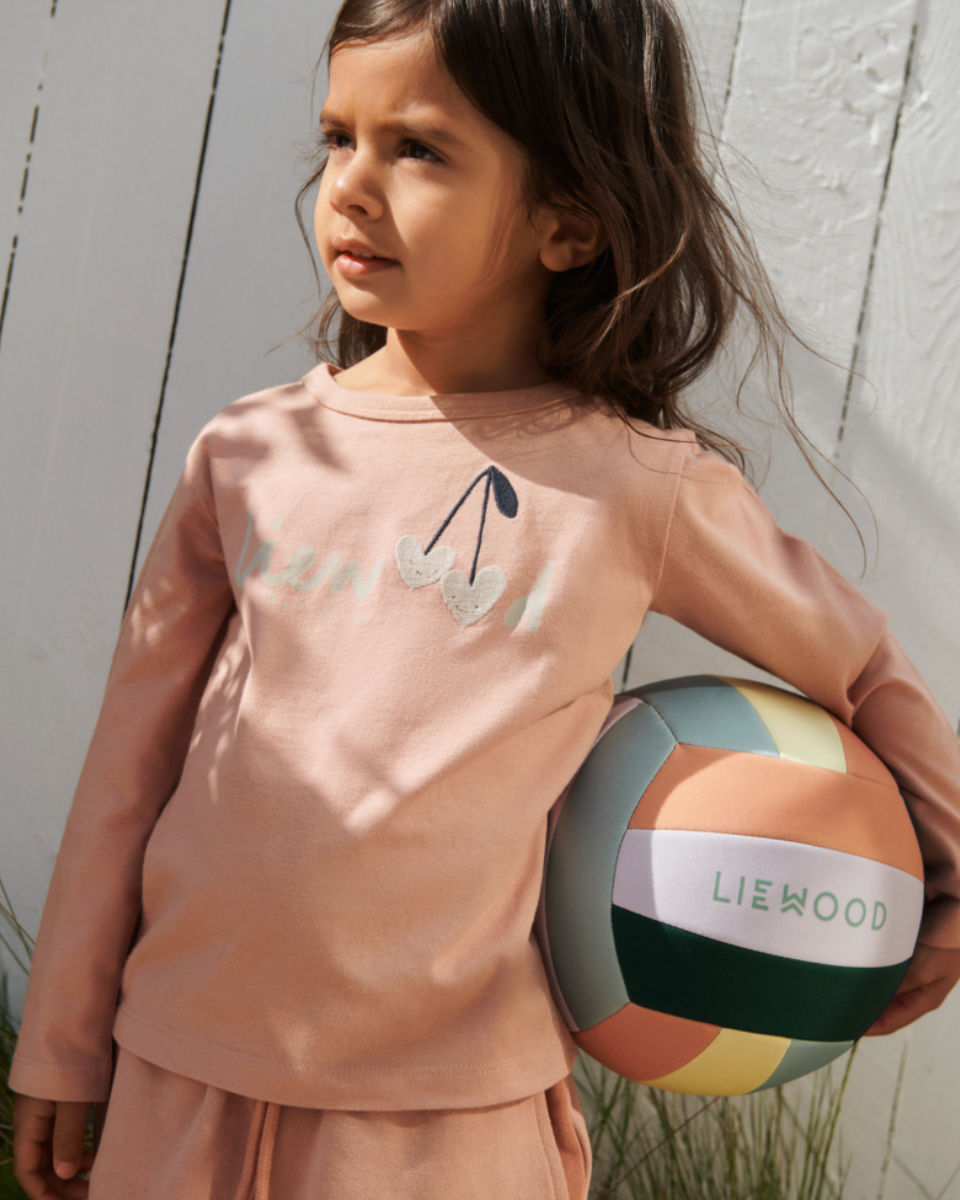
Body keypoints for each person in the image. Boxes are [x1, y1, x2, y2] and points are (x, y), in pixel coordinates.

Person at [10, 0, 960, 1196]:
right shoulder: (248, 455)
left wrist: (947, 868)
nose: (352, 187)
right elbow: (132, 764)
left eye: (417, 148)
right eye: (339, 138)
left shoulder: (634, 487)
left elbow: (859, 664)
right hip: (179, 1077)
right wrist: (64, 1038)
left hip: (446, 1121)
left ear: (569, 221)